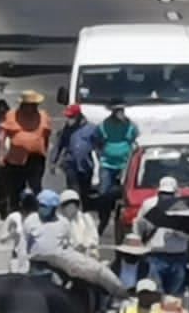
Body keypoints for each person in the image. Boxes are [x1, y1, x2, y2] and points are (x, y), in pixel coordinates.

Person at [0, 90, 51, 213]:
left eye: (34, 105)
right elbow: (3, 137)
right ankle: (15, 213)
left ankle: (39, 213)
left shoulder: (43, 116)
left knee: (36, 187)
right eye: (30, 105)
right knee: (15, 189)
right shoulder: (12, 115)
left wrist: (44, 151)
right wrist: (1, 155)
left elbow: (46, 136)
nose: (32, 107)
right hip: (16, 159)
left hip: (36, 158)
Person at [138, 176, 189, 296]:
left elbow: (188, 234)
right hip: (154, 256)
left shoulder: (184, 208)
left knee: (175, 297)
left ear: (176, 193)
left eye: (169, 193)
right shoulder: (148, 205)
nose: (166, 196)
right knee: (154, 294)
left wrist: (176, 230)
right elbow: (139, 227)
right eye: (163, 193)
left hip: (178, 257)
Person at [95, 103, 139, 233]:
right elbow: (98, 142)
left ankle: (124, 220)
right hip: (107, 164)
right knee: (103, 193)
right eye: (117, 111)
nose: (120, 113)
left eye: (122, 110)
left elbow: (134, 139)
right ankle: (103, 219)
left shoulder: (130, 125)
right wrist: (101, 155)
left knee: (125, 193)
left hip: (124, 164)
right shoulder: (103, 126)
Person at [50, 104, 101, 201]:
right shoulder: (66, 130)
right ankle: (74, 209)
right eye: (68, 117)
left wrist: (101, 162)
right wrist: (53, 162)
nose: (69, 119)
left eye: (71, 117)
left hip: (86, 165)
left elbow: (99, 146)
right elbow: (59, 146)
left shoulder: (92, 128)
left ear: (78, 116)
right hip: (71, 164)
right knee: (74, 190)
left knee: (85, 192)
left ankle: (84, 209)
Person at [22, 189, 73, 270]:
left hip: (57, 266)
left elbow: (69, 244)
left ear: (53, 208)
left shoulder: (64, 223)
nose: (40, 209)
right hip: (36, 266)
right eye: (39, 205)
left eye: (44, 206)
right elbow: (23, 243)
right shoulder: (31, 220)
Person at [58, 188, 102, 257]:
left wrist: (86, 245)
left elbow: (94, 237)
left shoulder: (86, 218)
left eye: (72, 206)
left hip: (88, 254)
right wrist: (73, 247)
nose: (70, 209)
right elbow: (61, 243)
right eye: (67, 206)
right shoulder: (59, 222)